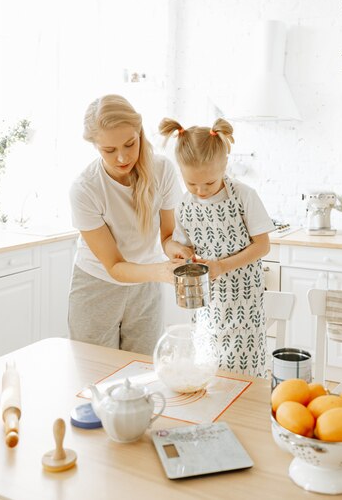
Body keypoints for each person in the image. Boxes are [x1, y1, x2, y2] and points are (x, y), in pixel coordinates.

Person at [68, 94, 192, 354]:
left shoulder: (163, 170)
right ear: (95, 146)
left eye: (129, 144)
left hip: (146, 288)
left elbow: (167, 236)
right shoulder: (85, 189)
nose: (123, 158)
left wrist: (175, 250)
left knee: (141, 373)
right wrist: (161, 271)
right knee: (95, 374)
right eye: (109, 150)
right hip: (96, 287)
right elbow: (114, 266)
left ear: (139, 132)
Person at [159, 117, 274, 378]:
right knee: (210, 369)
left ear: (224, 166)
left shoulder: (244, 196)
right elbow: (174, 243)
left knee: (244, 373)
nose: (200, 190)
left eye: (209, 183)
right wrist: (179, 250)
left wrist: (222, 266)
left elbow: (263, 246)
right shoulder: (185, 205)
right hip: (207, 305)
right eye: (191, 183)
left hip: (245, 300)